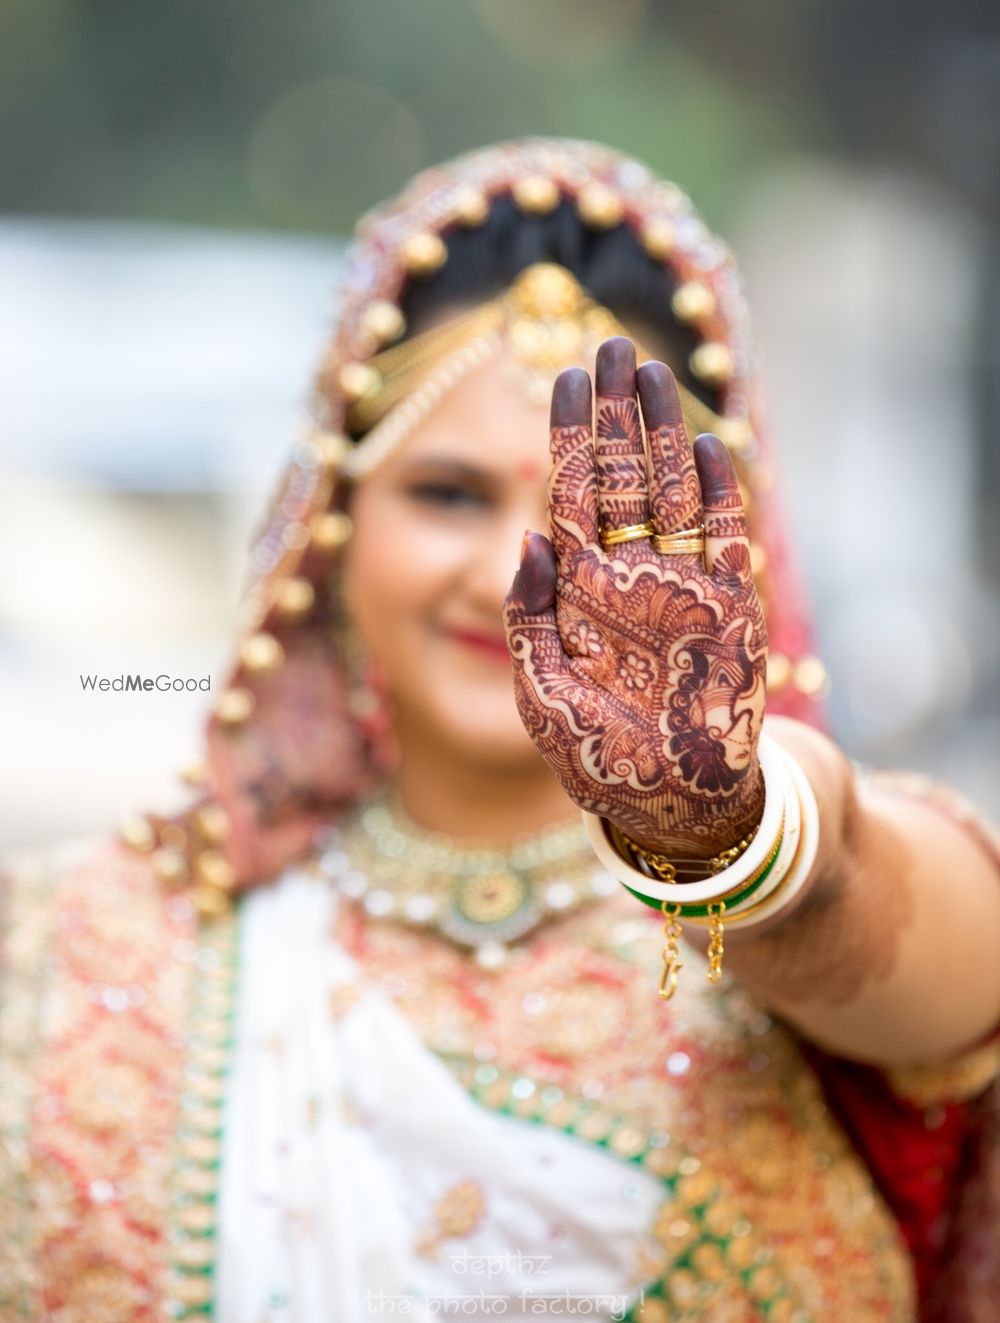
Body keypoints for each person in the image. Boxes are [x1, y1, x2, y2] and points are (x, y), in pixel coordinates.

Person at [1, 138, 998, 1323]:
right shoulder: (75, 947)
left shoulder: (797, 909)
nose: (510, 577)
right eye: (450, 494)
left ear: (711, 553)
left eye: (595, 521)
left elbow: (884, 923)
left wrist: (712, 830)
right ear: (332, 522)